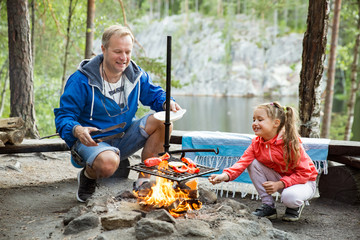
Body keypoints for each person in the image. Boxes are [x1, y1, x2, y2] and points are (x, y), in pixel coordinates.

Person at [54, 25, 181, 203]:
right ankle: (88, 176)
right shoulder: (81, 80)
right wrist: (76, 130)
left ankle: (143, 180)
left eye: (128, 52)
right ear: (103, 49)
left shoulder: (135, 75)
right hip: (92, 141)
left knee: (163, 121)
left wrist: (166, 102)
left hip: (123, 137)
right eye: (118, 51)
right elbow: (63, 117)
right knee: (107, 164)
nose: (124, 58)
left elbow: (154, 94)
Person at [208, 102, 318, 222]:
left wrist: (279, 184)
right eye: (254, 119)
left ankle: (295, 206)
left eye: (260, 120)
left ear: (276, 123)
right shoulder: (257, 143)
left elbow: (305, 173)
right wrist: (224, 176)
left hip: (304, 182)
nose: (255, 123)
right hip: (282, 180)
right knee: (252, 162)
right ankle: (268, 206)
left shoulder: (290, 143)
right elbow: (242, 162)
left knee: (289, 198)